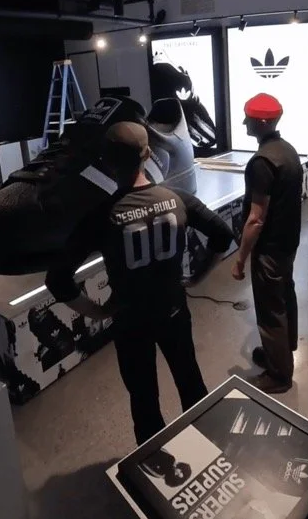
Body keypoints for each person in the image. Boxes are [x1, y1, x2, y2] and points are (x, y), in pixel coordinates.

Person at [46, 122, 234, 445]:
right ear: (148, 155)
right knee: (191, 382)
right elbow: (222, 234)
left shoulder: (101, 217)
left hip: (130, 322)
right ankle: (209, 449)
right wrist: (198, 277)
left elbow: (57, 278)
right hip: (174, 311)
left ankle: (154, 468)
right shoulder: (179, 199)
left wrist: (98, 312)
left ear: (107, 162)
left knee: (144, 400)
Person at [231, 94, 304, 394]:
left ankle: (278, 375)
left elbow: (255, 219)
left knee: (270, 307)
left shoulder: (261, 163)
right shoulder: (288, 151)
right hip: (288, 243)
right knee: (285, 293)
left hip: (270, 248)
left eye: (247, 117)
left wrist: (239, 259)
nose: (244, 121)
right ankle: (282, 352)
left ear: (261, 122)